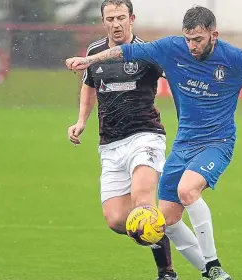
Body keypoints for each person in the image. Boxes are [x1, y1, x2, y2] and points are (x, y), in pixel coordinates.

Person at [65, 5, 242, 280]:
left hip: (217, 143)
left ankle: (213, 263)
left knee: (187, 190)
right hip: (184, 144)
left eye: (198, 40)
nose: (192, 46)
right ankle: (209, 272)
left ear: (213, 35)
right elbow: (127, 51)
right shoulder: (172, 48)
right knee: (166, 221)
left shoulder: (233, 59)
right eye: (188, 39)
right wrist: (89, 61)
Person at [66, 1, 177, 279]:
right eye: (110, 18)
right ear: (103, 21)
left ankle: (167, 272)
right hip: (111, 143)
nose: (116, 24)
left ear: (132, 19)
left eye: (121, 18)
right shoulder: (94, 53)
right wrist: (81, 121)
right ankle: (166, 223)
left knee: (142, 202)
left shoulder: (147, 52)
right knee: (118, 220)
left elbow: (177, 79)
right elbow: (88, 86)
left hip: (146, 136)